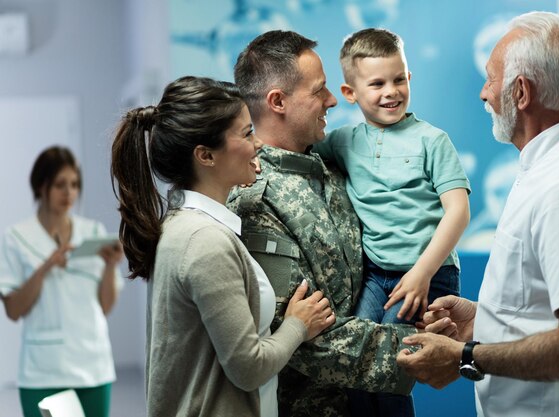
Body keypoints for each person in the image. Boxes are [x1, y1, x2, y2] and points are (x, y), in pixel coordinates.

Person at [396, 11, 559, 417]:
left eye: (490, 78)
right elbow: (542, 310)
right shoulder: (544, 169)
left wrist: (465, 355)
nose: (484, 94)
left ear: (521, 92)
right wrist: (483, 323)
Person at [110, 76, 335, 417]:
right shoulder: (205, 243)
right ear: (205, 156)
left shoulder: (183, 225)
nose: (258, 143)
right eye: (246, 134)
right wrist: (297, 325)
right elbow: (248, 368)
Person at [228, 30, 416, 417]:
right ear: (277, 101)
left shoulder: (331, 166)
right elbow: (302, 337)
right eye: (319, 91)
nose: (332, 100)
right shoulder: (255, 199)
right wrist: (416, 351)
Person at [313, 28, 471, 416]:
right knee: (352, 361)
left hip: (427, 273)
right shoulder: (344, 141)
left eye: (399, 79)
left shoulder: (432, 141)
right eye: (377, 83)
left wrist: (422, 273)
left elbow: (458, 211)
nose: (391, 91)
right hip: (376, 275)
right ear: (350, 93)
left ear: (410, 78)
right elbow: (296, 145)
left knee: (390, 367)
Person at [0, 146, 124, 417]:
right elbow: (13, 310)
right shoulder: (16, 237)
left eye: (74, 185)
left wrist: (109, 266)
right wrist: (46, 266)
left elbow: (105, 306)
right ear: (41, 186)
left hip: (92, 365)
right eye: (60, 185)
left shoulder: (92, 232)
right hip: (42, 371)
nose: (69, 193)